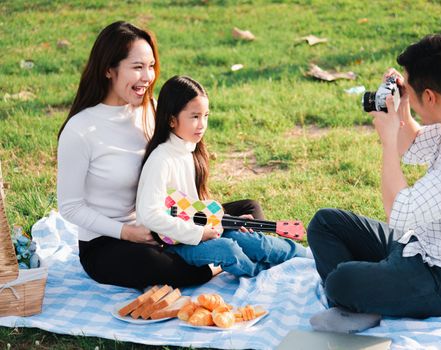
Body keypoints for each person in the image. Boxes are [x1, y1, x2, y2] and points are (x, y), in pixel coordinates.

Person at [308, 34, 441, 333]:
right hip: (421, 246)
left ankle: (358, 300)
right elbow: (416, 146)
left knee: (341, 280)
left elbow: (399, 211)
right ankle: (359, 303)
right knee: (325, 223)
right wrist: (404, 106)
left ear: (430, 97)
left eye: (413, 90)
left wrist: (389, 139)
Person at [57, 21, 215, 289]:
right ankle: (217, 262)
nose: (148, 77)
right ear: (109, 69)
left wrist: (209, 211)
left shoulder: (152, 110)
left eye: (151, 66)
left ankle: (221, 247)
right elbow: (70, 207)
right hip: (109, 243)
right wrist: (127, 232)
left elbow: (181, 162)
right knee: (159, 265)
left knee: (248, 210)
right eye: (137, 67)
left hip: (164, 221)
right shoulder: (81, 130)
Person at [136, 75, 307, 277]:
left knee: (253, 241)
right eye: (194, 117)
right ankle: (260, 272)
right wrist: (200, 234)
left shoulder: (191, 152)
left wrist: (226, 220)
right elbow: (149, 215)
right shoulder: (161, 160)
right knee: (227, 250)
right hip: (173, 244)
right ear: (172, 120)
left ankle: (306, 255)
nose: (202, 124)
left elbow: (193, 208)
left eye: (206, 116)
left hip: (200, 229)